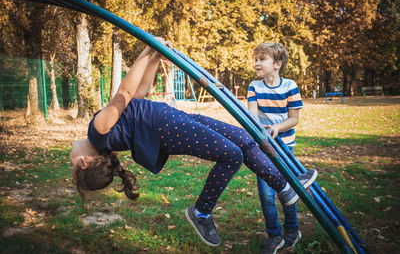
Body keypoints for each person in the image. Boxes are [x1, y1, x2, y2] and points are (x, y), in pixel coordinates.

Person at [69, 38, 317, 248]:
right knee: (232, 155)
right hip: (166, 128)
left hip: (172, 119)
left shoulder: (101, 137)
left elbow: (138, 94)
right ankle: (201, 211)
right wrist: (146, 50)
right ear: (84, 162)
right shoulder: (98, 131)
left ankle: (285, 189)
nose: (69, 160)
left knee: (243, 138)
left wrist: (155, 56)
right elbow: (123, 94)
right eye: (71, 165)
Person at [247, 42, 313, 254]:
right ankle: (274, 236)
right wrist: (259, 128)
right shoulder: (254, 87)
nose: (257, 63)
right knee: (266, 195)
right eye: (256, 59)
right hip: (263, 148)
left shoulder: (290, 86)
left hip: (285, 149)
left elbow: (294, 119)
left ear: (277, 63)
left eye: (262, 59)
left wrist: (276, 127)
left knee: (288, 192)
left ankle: (292, 230)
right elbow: (252, 114)